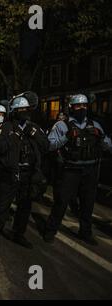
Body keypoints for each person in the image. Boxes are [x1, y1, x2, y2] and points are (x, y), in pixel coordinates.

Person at [44, 94, 112, 245]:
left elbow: (108, 145)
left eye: (84, 106)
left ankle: (85, 232)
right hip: (70, 170)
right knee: (61, 202)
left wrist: (101, 138)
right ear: (71, 108)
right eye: (78, 106)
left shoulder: (95, 125)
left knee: (87, 203)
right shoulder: (62, 125)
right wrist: (67, 136)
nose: (82, 109)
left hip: (90, 170)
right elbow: (49, 145)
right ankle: (50, 230)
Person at [0, 92, 49, 248]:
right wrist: (13, 137)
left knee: (25, 207)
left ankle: (18, 234)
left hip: (28, 174)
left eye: (26, 109)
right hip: (9, 174)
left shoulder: (33, 127)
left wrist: (33, 134)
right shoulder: (6, 127)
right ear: (14, 112)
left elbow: (46, 146)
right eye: (20, 110)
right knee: (2, 206)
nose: (24, 112)